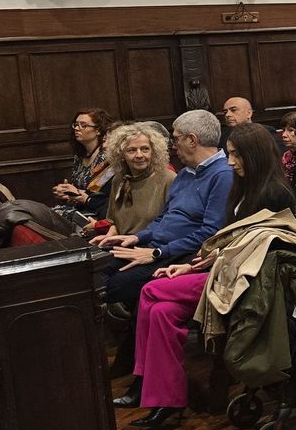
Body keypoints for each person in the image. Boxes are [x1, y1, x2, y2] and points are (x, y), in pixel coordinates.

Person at [113, 123, 295, 430]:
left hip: (247, 284)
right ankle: (167, 401)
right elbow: (229, 243)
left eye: (236, 155)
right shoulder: (241, 185)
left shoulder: (273, 192)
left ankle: (143, 380)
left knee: (151, 291)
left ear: (254, 156)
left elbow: (257, 252)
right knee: (161, 312)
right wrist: (192, 266)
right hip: (221, 271)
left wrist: (195, 266)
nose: (230, 160)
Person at [94, 110, 234, 315]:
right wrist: (136, 237)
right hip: (155, 247)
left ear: (192, 140)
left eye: (176, 139)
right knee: (95, 270)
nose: (173, 146)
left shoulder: (222, 175)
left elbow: (210, 234)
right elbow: (164, 218)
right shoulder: (186, 173)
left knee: (114, 285)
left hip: (178, 255)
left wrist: (156, 253)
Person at [101, 122, 175, 236]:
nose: (139, 155)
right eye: (131, 150)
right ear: (121, 154)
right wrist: (107, 238)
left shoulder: (168, 179)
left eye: (145, 149)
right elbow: (114, 222)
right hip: (123, 246)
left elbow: (172, 226)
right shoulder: (119, 179)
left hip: (152, 247)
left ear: (154, 151)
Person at [54, 108, 115, 221]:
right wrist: (67, 193)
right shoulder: (79, 156)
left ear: (98, 130)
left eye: (83, 125)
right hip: (79, 207)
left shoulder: (107, 157)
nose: (77, 128)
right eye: (76, 125)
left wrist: (77, 194)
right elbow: (79, 190)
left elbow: (103, 195)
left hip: (97, 212)